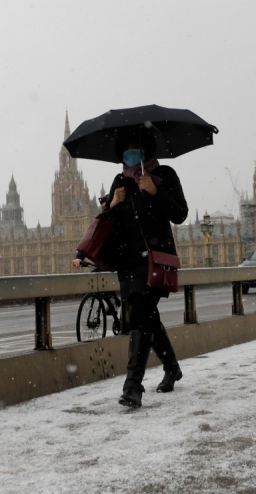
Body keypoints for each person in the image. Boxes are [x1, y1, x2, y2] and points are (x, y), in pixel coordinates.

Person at [103, 136, 188, 408]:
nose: (131, 157)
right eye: (126, 152)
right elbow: (107, 225)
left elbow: (180, 213)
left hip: (155, 261)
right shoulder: (119, 182)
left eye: (135, 151)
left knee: (141, 315)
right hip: (128, 264)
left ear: (146, 152)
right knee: (147, 317)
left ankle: (133, 385)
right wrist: (110, 206)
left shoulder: (164, 175)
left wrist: (156, 191)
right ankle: (172, 367)